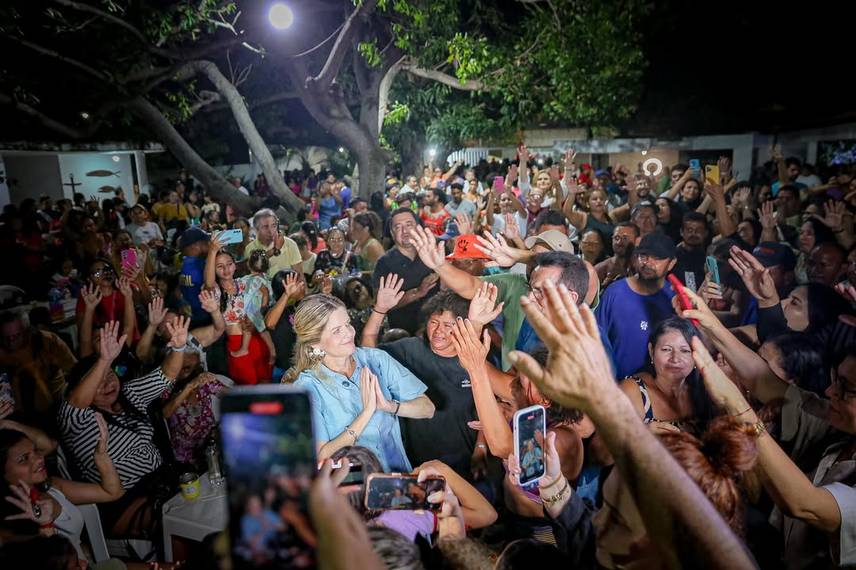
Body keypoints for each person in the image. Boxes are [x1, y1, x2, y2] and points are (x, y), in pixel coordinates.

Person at [506, 279, 756, 569]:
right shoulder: (613, 547)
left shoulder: (702, 396)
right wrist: (552, 483)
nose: (597, 521)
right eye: (605, 509)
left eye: (615, 518)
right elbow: (583, 527)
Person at [678, 287, 856, 569]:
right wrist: (710, 323)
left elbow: (805, 504)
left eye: (847, 389)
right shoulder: (839, 427)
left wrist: (735, 403)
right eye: (837, 379)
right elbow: (763, 379)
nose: (831, 391)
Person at [58, 319, 187, 535]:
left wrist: (179, 348)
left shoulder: (129, 394)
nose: (107, 384)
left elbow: (166, 376)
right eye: (98, 382)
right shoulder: (77, 421)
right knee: (180, 524)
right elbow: (76, 402)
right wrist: (104, 360)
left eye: (110, 375)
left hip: (163, 481)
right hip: (124, 501)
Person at [285, 294, 435, 472]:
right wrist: (367, 413)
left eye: (347, 324)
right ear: (315, 344)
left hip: (398, 477)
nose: (349, 333)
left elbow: (428, 409)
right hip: (352, 486)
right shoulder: (307, 388)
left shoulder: (376, 359)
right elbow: (322, 456)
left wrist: (388, 406)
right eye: (337, 330)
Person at [362, 282, 496, 480]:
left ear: (463, 327)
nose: (438, 331)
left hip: (466, 462)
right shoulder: (408, 351)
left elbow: (491, 408)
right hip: (418, 465)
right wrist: (380, 310)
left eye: (448, 325)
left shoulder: (476, 357)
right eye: (434, 322)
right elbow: (368, 353)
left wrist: (481, 448)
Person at [0, 417, 125, 565]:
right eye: (24, 459)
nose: (39, 459)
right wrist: (45, 526)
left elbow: (112, 493)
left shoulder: (52, 486)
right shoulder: (9, 523)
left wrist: (101, 456)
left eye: (36, 450)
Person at [596, 232, 677, 379]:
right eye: (644, 256)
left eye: (657, 258)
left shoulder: (674, 299)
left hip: (657, 388)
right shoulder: (615, 292)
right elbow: (596, 339)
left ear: (671, 263)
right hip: (613, 385)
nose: (648, 263)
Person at [618, 316, 716, 431]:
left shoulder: (704, 390)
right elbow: (603, 440)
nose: (675, 359)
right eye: (666, 349)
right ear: (651, 351)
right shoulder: (632, 390)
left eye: (685, 351)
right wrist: (639, 434)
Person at [205, 233, 273, 384]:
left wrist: (256, 317)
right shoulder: (216, 291)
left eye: (229, 264)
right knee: (248, 389)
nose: (226, 269)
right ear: (213, 270)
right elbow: (209, 283)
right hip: (236, 344)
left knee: (265, 384)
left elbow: (264, 301)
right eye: (219, 266)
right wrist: (212, 251)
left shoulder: (244, 283)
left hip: (256, 339)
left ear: (235, 265)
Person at [0, 310, 76, 425]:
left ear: (28, 331)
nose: (11, 343)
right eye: (6, 338)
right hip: (19, 419)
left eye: (16, 336)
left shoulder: (48, 342)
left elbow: (76, 370)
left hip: (58, 410)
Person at [372, 208, 440, 335]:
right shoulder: (384, 263)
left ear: (418, 227)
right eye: (398, 227)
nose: (404, 231)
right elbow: (379, 303)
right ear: (392, 233)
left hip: (436, 330)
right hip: (402, 334)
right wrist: (417, 293)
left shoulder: (432, 251)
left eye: (409, 225)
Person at [231, 250, 276, 362]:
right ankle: (272, 351)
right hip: (261, 310)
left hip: (253, 310)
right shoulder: (266, 278)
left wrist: (243, 312)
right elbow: (269, 294)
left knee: (249, 330)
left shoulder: (251, 280)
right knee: (263, 331)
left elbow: (248, 296)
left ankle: (244, 349)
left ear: (248, 264)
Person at [243, 209, 303, 280]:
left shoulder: (290, 244)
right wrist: (275, 250)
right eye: (265, 227)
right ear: (256, 230)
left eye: (274, 226)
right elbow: (254, 270)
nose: (271, 231)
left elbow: (299, 276)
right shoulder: (250, 248)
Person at [178, 226, 211, 326]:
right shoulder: (199, 264)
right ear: (195, 246)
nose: (209, 245)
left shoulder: (184, 264)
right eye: (205, 243)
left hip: (191, 316)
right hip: (205, 316)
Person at [671, 212, 710, 291]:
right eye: (689, 230)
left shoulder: (709, 259)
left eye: (698, 230)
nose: (693, 234)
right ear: (681, 232)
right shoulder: (671, 257)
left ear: (705, 233)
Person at [595, 222, 639, 288]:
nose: (619, 242)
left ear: (637, 240)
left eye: (625, 238)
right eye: (616, 238)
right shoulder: (600, 269)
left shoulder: (642, 268)